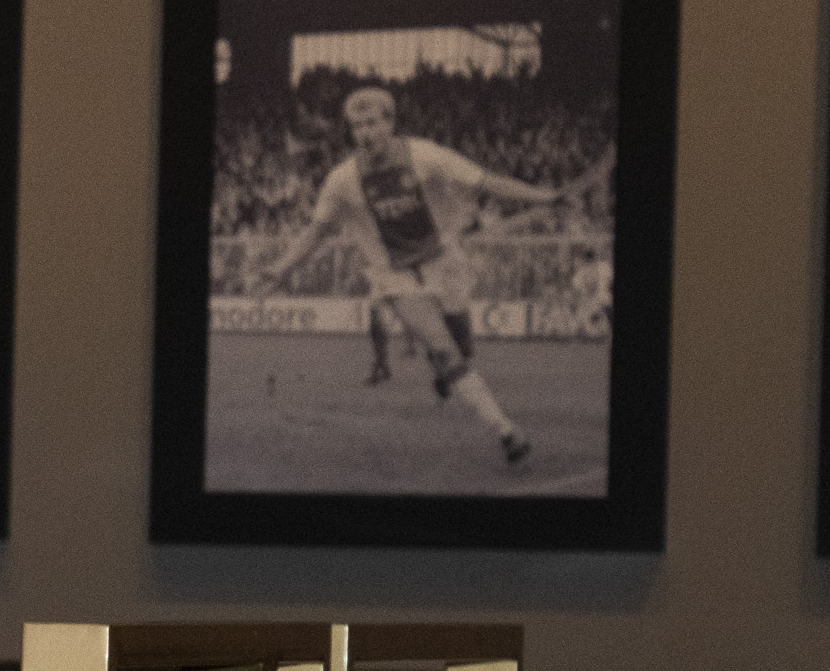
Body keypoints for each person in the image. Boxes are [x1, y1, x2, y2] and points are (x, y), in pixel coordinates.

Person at [234, 83, 578, 470]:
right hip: (394, 275)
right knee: (445, 350)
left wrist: (542, 196)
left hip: (443, 263)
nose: (365, 133)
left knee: (463, 351)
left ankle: (447, 374)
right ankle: (506, 432)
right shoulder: (342, 180)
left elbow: (487, 181)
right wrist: (280, 268)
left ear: (391, 123)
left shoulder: (426, 155)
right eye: (357, 126)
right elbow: (317, 232)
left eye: (372, 124)